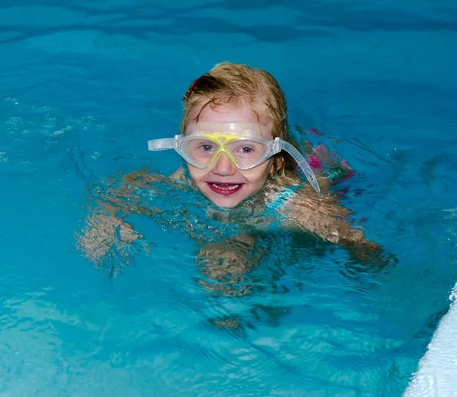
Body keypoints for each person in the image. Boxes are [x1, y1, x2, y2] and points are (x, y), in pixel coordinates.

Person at [76, 62, 389, 289]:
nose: (222, 169)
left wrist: (363, 259)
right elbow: (119, 191)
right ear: (182, 147)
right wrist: (105, 220)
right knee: (220, 266)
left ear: (276, 159)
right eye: (205, 147)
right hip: (250, 195)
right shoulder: (182, 181)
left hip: (313, 168)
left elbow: (361, 246)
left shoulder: (298, 205)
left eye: (246, 150)